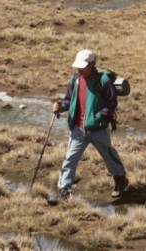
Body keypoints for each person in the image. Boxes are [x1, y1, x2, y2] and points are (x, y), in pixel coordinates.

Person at [49, 49, 129, 203]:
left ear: (92, 65)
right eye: (78, 66)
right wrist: (60, 107)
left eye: (83, 66)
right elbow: (68, 100)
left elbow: (112, 102)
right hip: (78, 128)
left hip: (98, 128)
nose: (79, 69)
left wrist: (99, 117)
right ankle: (64, 190)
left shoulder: (103, 80)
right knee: (69, 159)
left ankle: (120, 180)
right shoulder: (75, 79)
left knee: (108, 156)